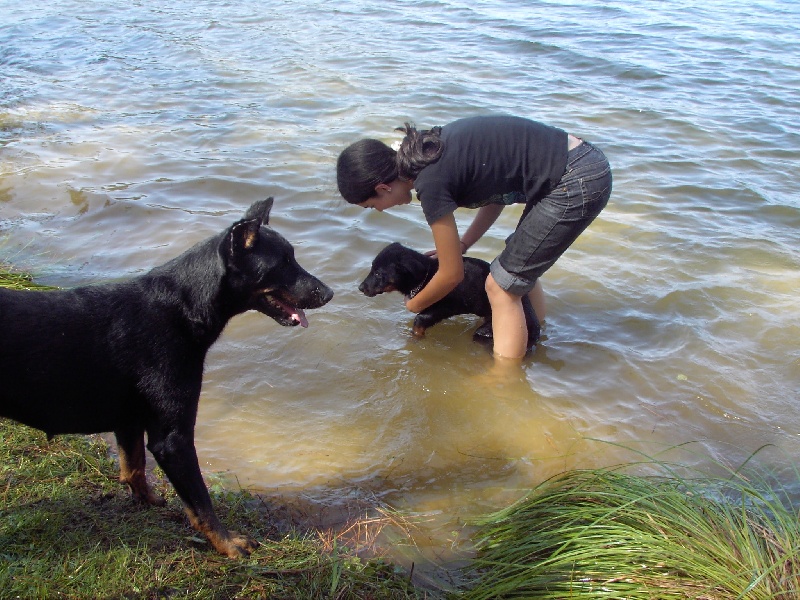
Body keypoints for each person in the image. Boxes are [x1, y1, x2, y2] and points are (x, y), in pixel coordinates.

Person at [337, 115, 611, 361]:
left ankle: (504, 384)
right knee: (518, 265)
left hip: (574, 178)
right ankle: (534, 336)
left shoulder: (429, 183)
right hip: (575, 162)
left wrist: (414, 305)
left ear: (383, 187)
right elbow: (497, 192)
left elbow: (451, 275)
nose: (381, 211)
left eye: (373, 206)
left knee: (501, 285)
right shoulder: (428, 151)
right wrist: (464, 243)